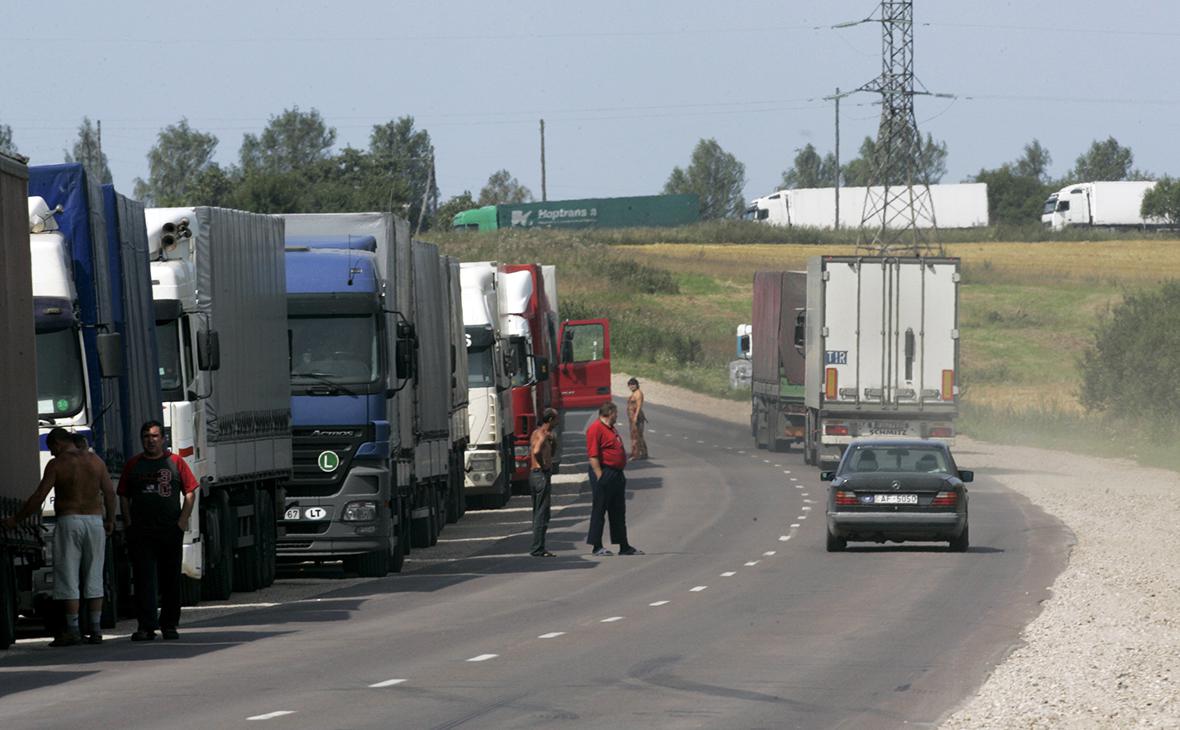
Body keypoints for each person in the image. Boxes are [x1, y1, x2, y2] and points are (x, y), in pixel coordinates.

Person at [2, 428, 115, 646]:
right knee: (94, 575)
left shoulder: (58, 464)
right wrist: (109, 519)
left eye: (52, 448)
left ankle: (72, 629)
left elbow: (39, 496)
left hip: (69, 520)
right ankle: (95, 629)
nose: (52, 453)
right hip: (94, 521)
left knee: (68, 575)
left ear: (58, 443)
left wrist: (16, 519)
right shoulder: (96, 461)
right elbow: (110, 493)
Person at [117, 420, 198, 641]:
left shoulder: (176, 462)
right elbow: (123, 494)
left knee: (170, 578)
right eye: (146, 437)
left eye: (154, 436)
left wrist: (182, 521)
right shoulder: (134, 464)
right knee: (144, 579)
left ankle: (169, 625)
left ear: (163, 439)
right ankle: (146, 626)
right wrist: (128, 522)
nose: (150, 440)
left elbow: (190, 492)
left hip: (169, 530)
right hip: (141, 531)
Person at [585, 402, 642, 557]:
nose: (617, 416)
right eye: (616, 413)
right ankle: (597, 546)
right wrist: (600, 476)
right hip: (604, 473)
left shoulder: (610, 428)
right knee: (600, 509)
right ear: (609, 412)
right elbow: (593, 455)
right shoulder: (596, 429)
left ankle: (624, 545)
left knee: (618, 510)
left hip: (616, 474)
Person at [528, 408, 560, 557]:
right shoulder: (541, 435)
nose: (558, 421)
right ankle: (537, 548)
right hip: (540, 475)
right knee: (542, 513)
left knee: (538, 511)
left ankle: (538, 546)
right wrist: (543, 465)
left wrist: (553, 443)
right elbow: (536, 452)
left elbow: (551, 454)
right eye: (556, 418)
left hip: (534, 476)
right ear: (550, 420)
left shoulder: (538, 433)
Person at [626, 377, 649, 461]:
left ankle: (637, 454)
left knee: (637, 436)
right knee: (635, 435)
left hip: (637, 417)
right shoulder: (634, 393)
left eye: (633, 384)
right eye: (630, 385)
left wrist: (635, 417)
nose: (631, 386)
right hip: (632, 417)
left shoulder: (638, 393)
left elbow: (639, 406)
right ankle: (641, 453)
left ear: (637, 385)